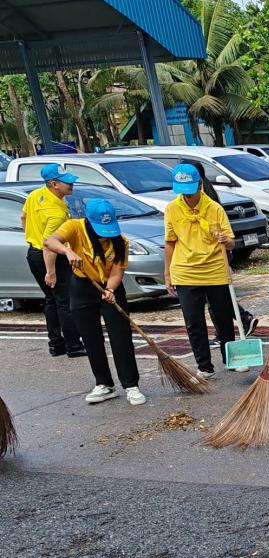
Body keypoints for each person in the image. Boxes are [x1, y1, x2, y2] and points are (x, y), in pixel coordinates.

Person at [44, 198, 144, 406]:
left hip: (110, 288)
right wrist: (68, 251)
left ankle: (131, 385)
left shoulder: (121, 241)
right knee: (91, 338)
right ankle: (104, 384)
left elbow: (117, 270)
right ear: (89, 222)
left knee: (120, 337)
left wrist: (110, 289)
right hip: (82, 287)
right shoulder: (74, 227)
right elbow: (50, 241)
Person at [164, 163, 239, 379]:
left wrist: (227, 241)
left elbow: (232, 242)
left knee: (223, 318)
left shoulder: (214, 208)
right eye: (182, 191)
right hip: (185, 271)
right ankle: (204, 366)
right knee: (193, 321)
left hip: (215, 269)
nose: (187, 196)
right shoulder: (172, 209)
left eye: (190, 190)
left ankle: (231, 359)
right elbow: (170, 242)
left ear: (199, 185)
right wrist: (167, 274)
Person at [20, 163, 84, 358]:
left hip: (34, 253)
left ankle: (56, 344)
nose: (71, 185)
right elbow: (49, 245)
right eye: (67, 183)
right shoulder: (55, 211)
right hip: (50, 257)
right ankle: (73, 346)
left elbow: (23, 217)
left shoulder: (35, 195)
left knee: (51, 299)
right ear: (54, 183)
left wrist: (31, 235)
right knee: (65, 301)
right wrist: (51, 271)